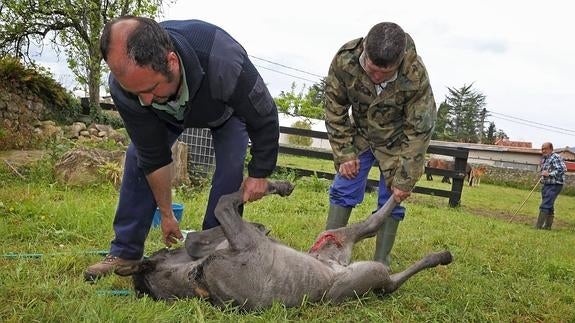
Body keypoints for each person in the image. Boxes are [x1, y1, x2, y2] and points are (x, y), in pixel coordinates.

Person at [84, 16, 279, 281]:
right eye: (136, 92)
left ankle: (214, 252)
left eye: (151, 88)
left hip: (224, 112)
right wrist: (166, 214)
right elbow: (153, 156)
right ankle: (126, 250)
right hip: (168, 115)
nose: (145, 100)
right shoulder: (128, 86)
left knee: (230, 170)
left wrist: (259, 172)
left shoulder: (224, 60)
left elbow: (264, 115)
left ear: (172, 62)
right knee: (137, 156)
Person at [324, 22, 436, 268]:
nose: (375, 77)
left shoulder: (414, 74)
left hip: (398, 143)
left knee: (392, 198)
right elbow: (334, 108)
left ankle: (380, 263)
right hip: (361, 134)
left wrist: (406, 179)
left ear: (398, 62)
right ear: (364, 50)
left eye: (383, 74)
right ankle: (326, 255)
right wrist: (344, 153)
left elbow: (419, 131)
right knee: (344, 187)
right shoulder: (346, 60)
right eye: (370, 69)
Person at [535, 142, 566, 229]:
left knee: (545, 204)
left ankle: (538, 226)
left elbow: (563, 169)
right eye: (542, 149)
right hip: (546, 184)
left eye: (545, 149)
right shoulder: (544, 159)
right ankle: (548, 226)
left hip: (555, 184)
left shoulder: (556, 157)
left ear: (551, 149)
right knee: (549, 204)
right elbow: (544, 172)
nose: (543, 150)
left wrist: (549, 174)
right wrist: (543, 176)